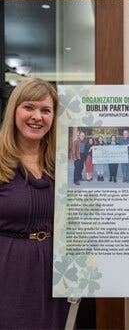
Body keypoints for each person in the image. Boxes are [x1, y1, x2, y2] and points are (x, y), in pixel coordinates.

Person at [0, 78, 66, 330]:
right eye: (29, 107)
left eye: (46, 110)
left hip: (53, 271)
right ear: (14, 110)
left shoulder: (61, 163)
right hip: (8, 269)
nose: (37, 116)